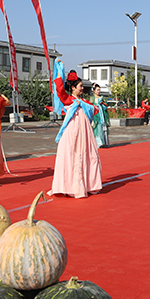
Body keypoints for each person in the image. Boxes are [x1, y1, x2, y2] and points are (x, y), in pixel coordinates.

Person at [49, 59, 102, 198]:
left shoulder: (83, 101)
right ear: (73, 87)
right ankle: (70, 186)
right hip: (72, 132)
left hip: (84, 133)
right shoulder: (68, 100)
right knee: (71, 156)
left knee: (88, 155)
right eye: (80, 86)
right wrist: (59, 68)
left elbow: (94, 110)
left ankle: (89, 184)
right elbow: (59, 88)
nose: (82, 88)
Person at [90, 83, 110, 148]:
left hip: (101, 113)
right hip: (95, 114)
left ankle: (103, 142)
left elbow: (107, 104)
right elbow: (90, 106)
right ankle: (97, 143)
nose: (99, 91)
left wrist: (103, 103)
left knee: (102, 128)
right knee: (96, 128)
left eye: (99, 90)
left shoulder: (101, 98)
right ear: (94, 91)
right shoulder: (92, 98)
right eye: (97, 90)